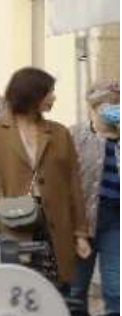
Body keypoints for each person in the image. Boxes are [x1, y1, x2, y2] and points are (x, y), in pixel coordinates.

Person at [0, 67, 89, 286]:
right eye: (49, 91)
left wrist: (80, 233)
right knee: (17, 289)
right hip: (10, 224)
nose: (54, 97)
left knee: (54, 290)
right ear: (31, 94)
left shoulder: (60, 133)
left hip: (54, 226)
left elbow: (73, 185)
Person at [71, 79, 119, 315]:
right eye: (110, 104)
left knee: (115, 288)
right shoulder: (75, 136)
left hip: (115, 222)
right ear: (93, 107)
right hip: (81, 223)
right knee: (76, 289)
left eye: (119, 104)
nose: (116, 108)